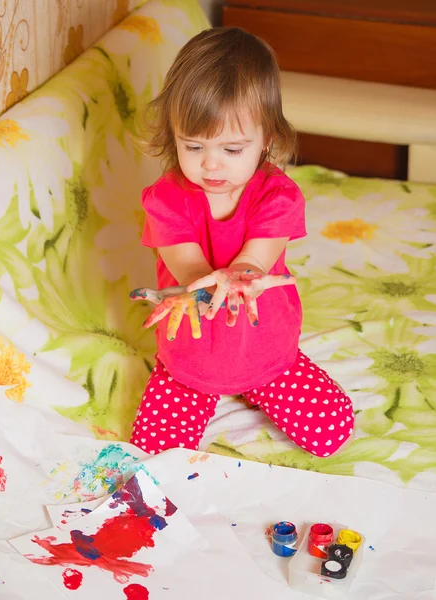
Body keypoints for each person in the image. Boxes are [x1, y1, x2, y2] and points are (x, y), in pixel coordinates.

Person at [129, 27, 354, 457]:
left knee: (334, 433)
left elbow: (257, 259)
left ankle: (256, 387)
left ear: (266, 139)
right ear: (172, 134)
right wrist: (206, 281)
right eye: (192, 145)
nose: (211, 163)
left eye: (232, 149)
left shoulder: (279, 196)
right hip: (189, 361)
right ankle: (218, 389)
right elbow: (187, 266)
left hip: (267, 351)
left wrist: (242, 277)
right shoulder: (165, 199)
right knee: (152, 459)